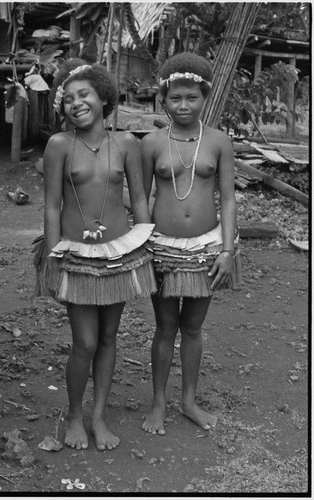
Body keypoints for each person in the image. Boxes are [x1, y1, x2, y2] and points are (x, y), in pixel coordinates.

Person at [36, 59, 156, 451]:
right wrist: (53, 259)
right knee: (84, 342)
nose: (76, 103)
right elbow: (52, 206)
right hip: (76, 255)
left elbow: (139, 197)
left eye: (84, 94)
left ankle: (99, 415)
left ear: (104, 97)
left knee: (108, 337)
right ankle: (74, 414)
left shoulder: (126, 144)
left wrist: (143, 245)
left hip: (119, 253)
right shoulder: (59, 145)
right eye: (68, 98)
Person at [141, 52, 241, 435]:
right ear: (163, 98)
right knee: (165, 327)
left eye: (192, 98)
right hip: (162, 248)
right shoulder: (151, 143)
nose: (183, 106)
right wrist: (144, 247)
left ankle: (188, 401)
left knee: (194, 327)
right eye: (175, 98)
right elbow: (142, 197)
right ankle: (158, 402)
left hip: (207, 249)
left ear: (205, 97)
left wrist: (228, 249)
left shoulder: (218, 142)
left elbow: (228, 197)